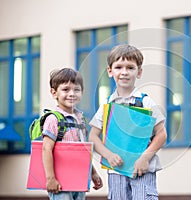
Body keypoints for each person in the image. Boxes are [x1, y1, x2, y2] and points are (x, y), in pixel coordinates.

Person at [89, 44, 167, 200]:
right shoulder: (106, 106)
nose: (124, 72)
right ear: (110, 71)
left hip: (142, 170)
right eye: (118, 67)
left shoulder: (146, 102)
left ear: (139, 72)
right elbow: (92, 137)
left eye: (130, 68)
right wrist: (108, 155)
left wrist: (145, 157)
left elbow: (161, 134)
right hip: (116, 171)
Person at [42, 68, 103, 200]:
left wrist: (93, 173)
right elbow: (46, 149)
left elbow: (83, 151)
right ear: (54, 93)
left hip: (79, 179)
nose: (72, 93)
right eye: (65, 89)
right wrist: (50, 178)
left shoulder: (80, 119)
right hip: (60, 183)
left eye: (76, 89)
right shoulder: (53, 119)